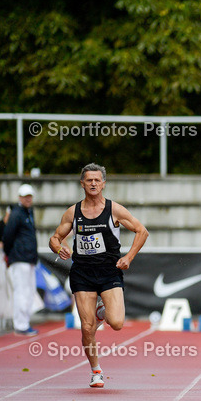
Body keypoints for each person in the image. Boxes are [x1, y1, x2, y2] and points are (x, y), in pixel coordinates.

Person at [49, 164, 149, 388]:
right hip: (82, 273)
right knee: (87, 327)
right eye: (89, 180)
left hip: (109, 271)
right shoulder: (72, 212)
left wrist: (129, 258)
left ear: (103, 184)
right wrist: (58, 248)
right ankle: (96, 371)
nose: (93, 183)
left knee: (117, 323)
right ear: (82, 183)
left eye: (97, 180)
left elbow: (142, 231)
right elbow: (55, 238)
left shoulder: (114, 210)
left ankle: (102, 312)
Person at [3, 184, 40, 336]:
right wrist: (9, 254)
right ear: (19, 197)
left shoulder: (28, 212)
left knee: (29, 292)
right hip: (20, 258)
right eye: (25, 196)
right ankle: (20, 324)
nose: (28, 199)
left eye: (30, 196)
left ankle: (24, 322)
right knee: (21, 292)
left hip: (29, 258)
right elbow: (8, 235)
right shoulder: (17, 214)